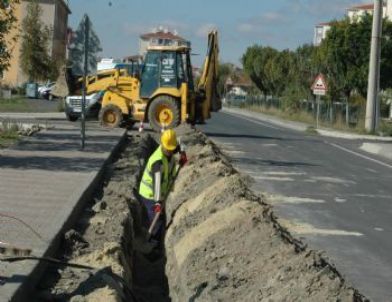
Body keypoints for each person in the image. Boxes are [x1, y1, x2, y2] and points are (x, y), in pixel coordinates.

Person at [138, 129, 186, 236]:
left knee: (159, 216)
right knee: (157, 219)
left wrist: (183, 154)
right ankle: (153, 243)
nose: (170, 151)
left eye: (171, 149)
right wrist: (158, 203)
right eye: (167, 149)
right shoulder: (157, 162)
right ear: (162, 144)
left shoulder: (172, 146)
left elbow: (181, 145)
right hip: (150, 194)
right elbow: (157, 185)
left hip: (160, 192)